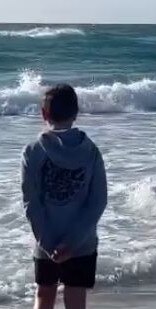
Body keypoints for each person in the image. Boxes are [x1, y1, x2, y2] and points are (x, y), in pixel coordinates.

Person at [21, 84, 107, 309]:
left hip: (45, 239)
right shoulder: (91, 151)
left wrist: (48, 244)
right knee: (76, 299)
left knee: (44, 296)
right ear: (76, 113)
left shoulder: (32, 151)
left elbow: (32, 203)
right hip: (82, 242)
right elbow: (97, 202)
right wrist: (72, 243)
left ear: (43, 114)